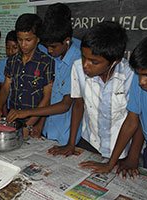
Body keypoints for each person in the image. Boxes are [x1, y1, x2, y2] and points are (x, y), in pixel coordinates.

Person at [50, 21, 135, 160]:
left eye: (94, 62)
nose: (85, 65)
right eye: (83, 57)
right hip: (89, 142)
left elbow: (134, 120)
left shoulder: (130, 75)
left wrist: (114, 162)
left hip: (120, 150)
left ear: (115, 61)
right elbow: (78, 105)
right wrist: (71, 144)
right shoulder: (77, 68)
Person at [79, 36, 147, 175]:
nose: (141, 81)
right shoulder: (140, 87)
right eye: (139, 74)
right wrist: (110, 164)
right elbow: (131, 122)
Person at [7, 11, 81, 144]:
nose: (49, 51)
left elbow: (65, 105)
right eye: (47, 47)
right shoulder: (55, 55)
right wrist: (40, 124)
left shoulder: (77, 62)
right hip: (47, 129)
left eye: (52, 47)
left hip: (65, 134)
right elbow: (49, 95)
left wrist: (27, 114)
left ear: (67, 41)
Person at [0, 13, 54, 138]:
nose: (23, 44)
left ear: (38, 39)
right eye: (20, 40)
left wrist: (29, 125)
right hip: (13, 119)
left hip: (33, 122)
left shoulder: (46, 62)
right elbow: (5, 87)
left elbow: (47, 98)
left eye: (28, 40)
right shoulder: (12, 61)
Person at [0, 30, 19, 116]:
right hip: (9, 107)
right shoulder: (2, 64)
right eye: (7, 48)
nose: (10, 51)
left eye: (15, 47)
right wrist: (5, 115)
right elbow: (3, 89)